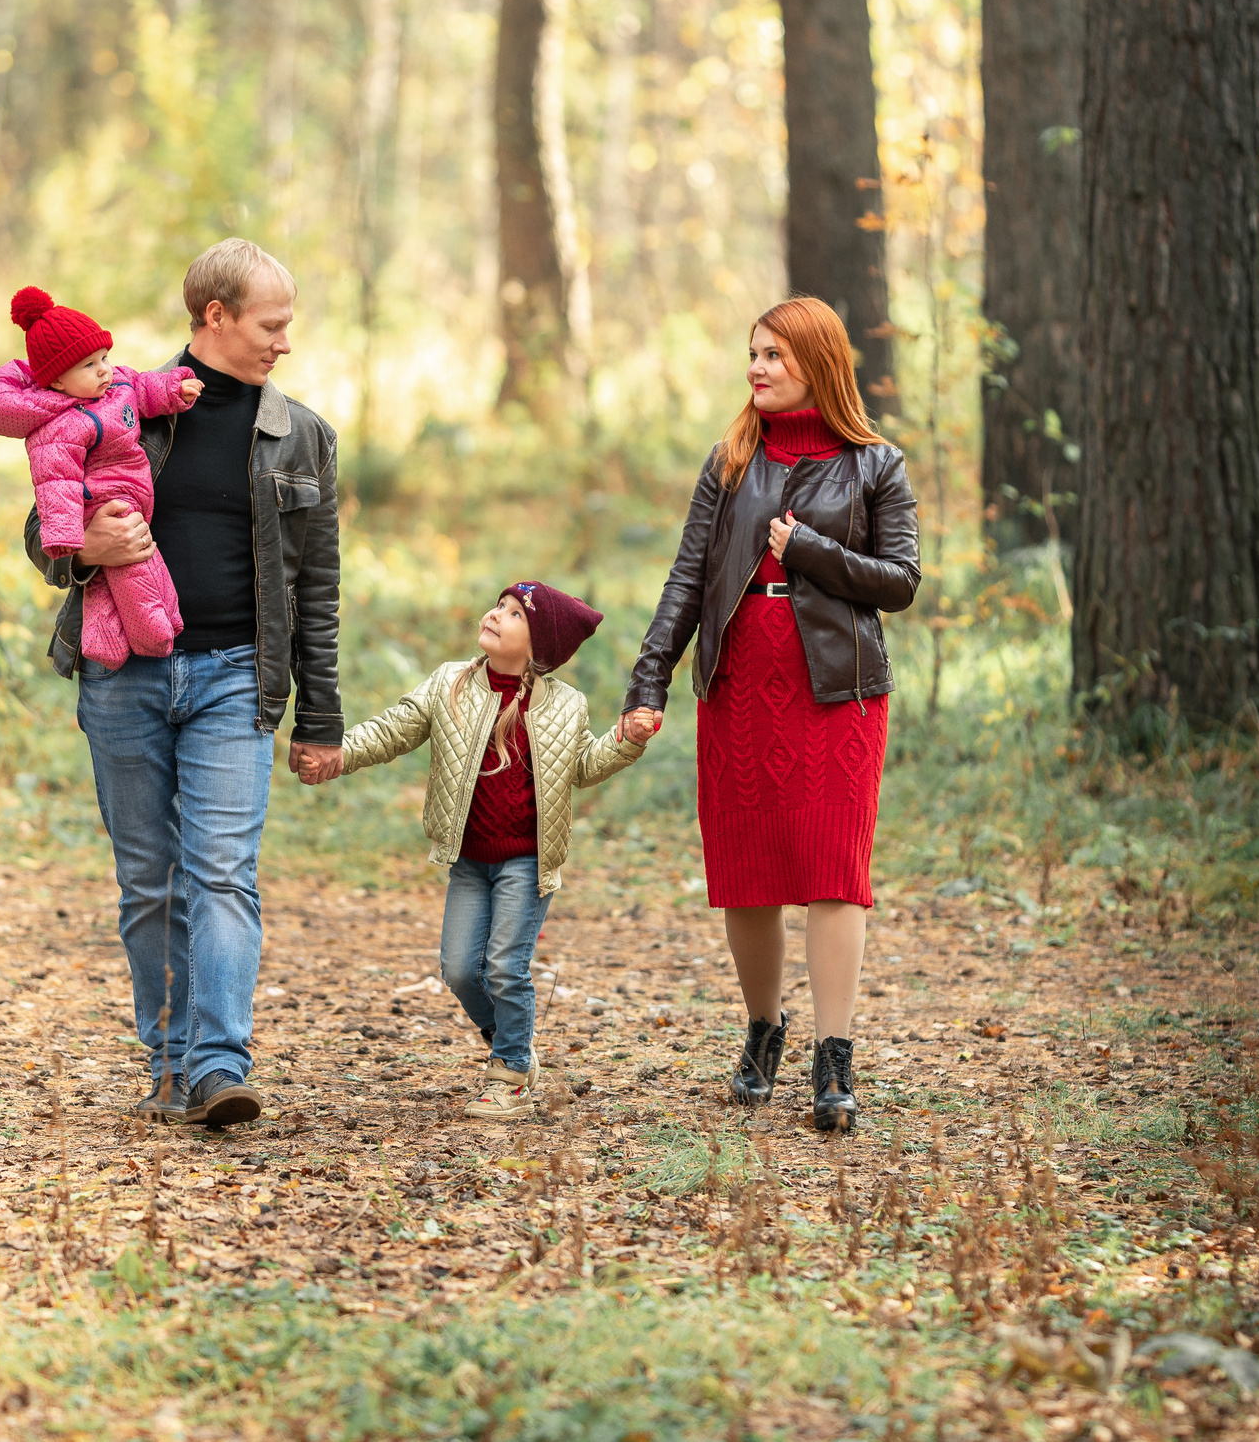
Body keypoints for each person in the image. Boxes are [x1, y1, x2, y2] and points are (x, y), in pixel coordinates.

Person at [23, 238, 343, 1129]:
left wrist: (319, 715)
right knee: (150, 882)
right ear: (214, 317)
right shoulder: (119, 404)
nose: (285, 340)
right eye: (271, 323)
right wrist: (80, 549)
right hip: (124, 674)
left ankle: (217, 1064)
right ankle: (167, 1061)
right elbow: (38, 528)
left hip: (237, 678)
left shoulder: (302, 435)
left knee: (223, 874)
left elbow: (316, 591)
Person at [620, 297, 920, 1132]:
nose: (756, 368)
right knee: (748, 872)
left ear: (817, 364)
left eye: (774, 356)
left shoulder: (876, 464)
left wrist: (812, 552)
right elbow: (686, 580)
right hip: (742, 684)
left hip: (839, 691)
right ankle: (763, 1028)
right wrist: (649, 681)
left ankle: (835, 1056)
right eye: (752, 353)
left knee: (833, 868)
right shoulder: (730, 461)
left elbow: (900, 580)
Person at [300, 582, 652, 1117]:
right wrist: (340, 755)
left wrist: (627, 740)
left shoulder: (565, 705)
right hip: (468, 859)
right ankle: (511, 1038)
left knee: (507, 966)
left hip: (528, 860)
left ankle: (509, 1070)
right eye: (500, 605)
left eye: (515, 614)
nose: (496, 614)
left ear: (540, 647)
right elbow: (394, 730)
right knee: (461, 969)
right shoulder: (449, 685)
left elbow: (582, 766)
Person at [0, 288, 201, 666]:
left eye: (104, 357)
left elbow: (145, 388)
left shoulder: (117, 387)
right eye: (88, 365)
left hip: (132, 492)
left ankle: (109, 642)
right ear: (58, 381)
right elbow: (56, 483)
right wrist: (67, 538)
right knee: (134, 569)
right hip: (103, 504)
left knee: (120, 579)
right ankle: (155, 636)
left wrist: (175, 388)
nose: (104, 369)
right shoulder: (59, 425)